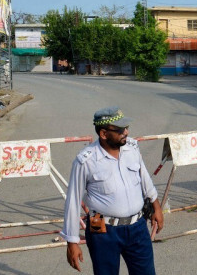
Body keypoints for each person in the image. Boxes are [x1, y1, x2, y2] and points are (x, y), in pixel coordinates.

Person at [61, 107, 164, 274]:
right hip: (99, 225)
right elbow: (73, 202)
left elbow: (144, 178)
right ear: (103, 134)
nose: (126, 132)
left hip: (137, 224)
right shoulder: (85, 161)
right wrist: (72, 242)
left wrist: (156, 207)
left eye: (126, 128)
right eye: (120, 130)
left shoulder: (132, 149)